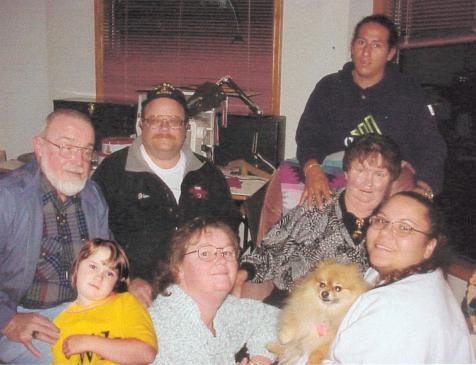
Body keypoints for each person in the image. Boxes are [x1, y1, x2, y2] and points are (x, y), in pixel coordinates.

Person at [93, 82, 241, 307]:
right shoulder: (112, 172)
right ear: (142, 124)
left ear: (185, 128)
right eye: (155, 120)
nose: (164, 127)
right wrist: (125, 279)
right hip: (136, 293)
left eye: (173, 121)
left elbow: (229, 234)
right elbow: (95, 240)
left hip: (199, 291)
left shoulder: (208, 174)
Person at [296, 14, 446, 208]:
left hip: (390, 189)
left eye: (376, 45)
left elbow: (431, 147)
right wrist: (312, 170)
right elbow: (308, 137)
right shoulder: (329, 88)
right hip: (336, 186)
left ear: (391, 53)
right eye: (361, 42)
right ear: (352, 47)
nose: (366, 53)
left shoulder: (408, 92)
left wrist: (423, 190)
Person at [0, 109, 110, 364]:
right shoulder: (8, 198)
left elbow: (107, 260)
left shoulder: (92, 197)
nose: (79, 160)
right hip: (22, 315)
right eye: (67, 148)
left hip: (82, 310)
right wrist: (8, 320)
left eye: (86, 151)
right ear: (39, 147)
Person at [236, 134, 402, 301]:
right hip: (293, 304)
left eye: (379, 175)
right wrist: (244, 272)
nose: (368, 182)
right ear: (347, 173)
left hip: (353, 316)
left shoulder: (393, 225)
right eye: (360, 171)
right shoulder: (316, 207)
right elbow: (272, 250)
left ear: (391, 180)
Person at [325, 191, 474, 363]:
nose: (385, 233)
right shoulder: (402, 275)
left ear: (429, 247)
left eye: (405, 227)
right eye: (381, 220)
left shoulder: (397, 310)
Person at [149, 217, 279, 365]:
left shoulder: (221, 309)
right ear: (178, 267)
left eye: (228, 252)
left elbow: (274, 318)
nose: (221, 259)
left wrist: (260, 360)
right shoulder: (167, 329)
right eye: (205, 253)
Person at [51, 238, 157, 364]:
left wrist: (89, 342)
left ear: (116, 281)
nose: (99, 276)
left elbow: (146, 354)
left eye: (109, 274)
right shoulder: (60, 323)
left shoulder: (126, 303)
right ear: (76, 267)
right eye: (93, 266)